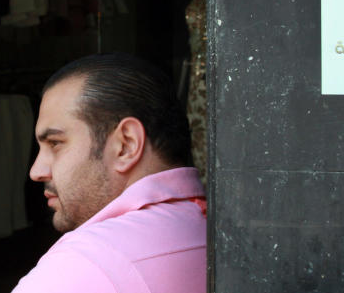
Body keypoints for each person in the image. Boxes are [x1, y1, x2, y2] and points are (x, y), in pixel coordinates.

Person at [12, 53, 206, 293]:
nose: (35, 171)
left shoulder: (82, 265)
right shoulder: (218, 232)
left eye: (55, 143)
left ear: (126, 145)